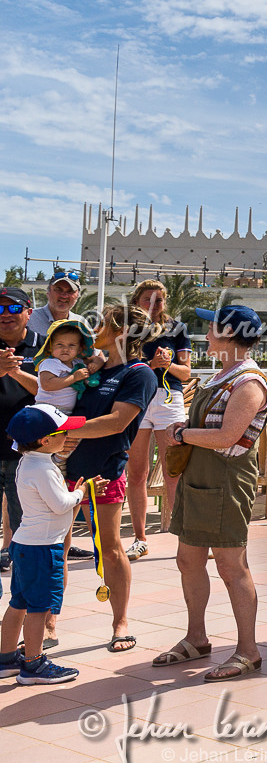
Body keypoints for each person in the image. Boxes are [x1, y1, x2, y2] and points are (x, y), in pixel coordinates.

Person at [152, 305, 267, 681]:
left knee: (231, 566)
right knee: (188, 560)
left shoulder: (249, 382)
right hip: (200, 478)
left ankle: (248, 651)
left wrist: (181, 434)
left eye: (213, 330)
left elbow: (227, 436)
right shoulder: (221, 376)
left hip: (225, 482)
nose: (206, 336)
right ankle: (196, 638)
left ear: (231, 335)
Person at [61, 301, 157, 653]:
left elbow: (118, 422)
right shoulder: (93, 368)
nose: (94, 330)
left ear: (121, 332)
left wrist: (64, 432)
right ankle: (51, 622)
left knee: (113, 548)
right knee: (61, 547)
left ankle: (121, 623)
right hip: (67, 470)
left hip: (105, 471)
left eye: (101, 324)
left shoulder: (139, 374)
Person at [0, 405, 85, 685]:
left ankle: (6, 659)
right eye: (62, 431)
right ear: (45, 441)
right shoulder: (43, 467)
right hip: (42, 549)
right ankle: (33, 665)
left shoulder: (28, 461)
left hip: (25, 544)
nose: (68, 434)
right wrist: (80, 492)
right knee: (39, 608)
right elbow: (60, 505)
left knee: (19, 602)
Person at [125, 279, 192, 561]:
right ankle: (140, 539)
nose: (153, 305)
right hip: (136, 398)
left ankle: (185, 538)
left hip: (168, 399)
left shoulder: (176, 328)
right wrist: (149, 365)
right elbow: (119, 365)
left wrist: (168, 365)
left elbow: (186, 373)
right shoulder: (127, 327)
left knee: (173, 472)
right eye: (147, 300)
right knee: (137, 474)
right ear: (136, 301)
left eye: (159, 300)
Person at [0, 288, 44, 577]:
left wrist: (14, 372)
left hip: (26, 453)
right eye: (0, 309)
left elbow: (56, 393)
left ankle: (23, 603)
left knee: (25, 528)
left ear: (29, 312)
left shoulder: (46, 348)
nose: (6, 315)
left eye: (14, 309)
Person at [34, 319, 98, 413]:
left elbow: (98, 359)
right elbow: (47, 384)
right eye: (60, 344)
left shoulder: (77, 363)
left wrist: (95, 364)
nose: (65, 349)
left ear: (79, 349)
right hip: (46, 410)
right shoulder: (50, 363)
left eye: (71, 345)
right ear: (50, 347)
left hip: (64, 413)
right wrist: (73, 377)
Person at [25, 269, 85, 336]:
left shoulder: (81, 323)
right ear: (48, 293)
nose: (64, 296)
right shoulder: (29, 319)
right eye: (58, 290)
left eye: (70, 291)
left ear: (78, 296)